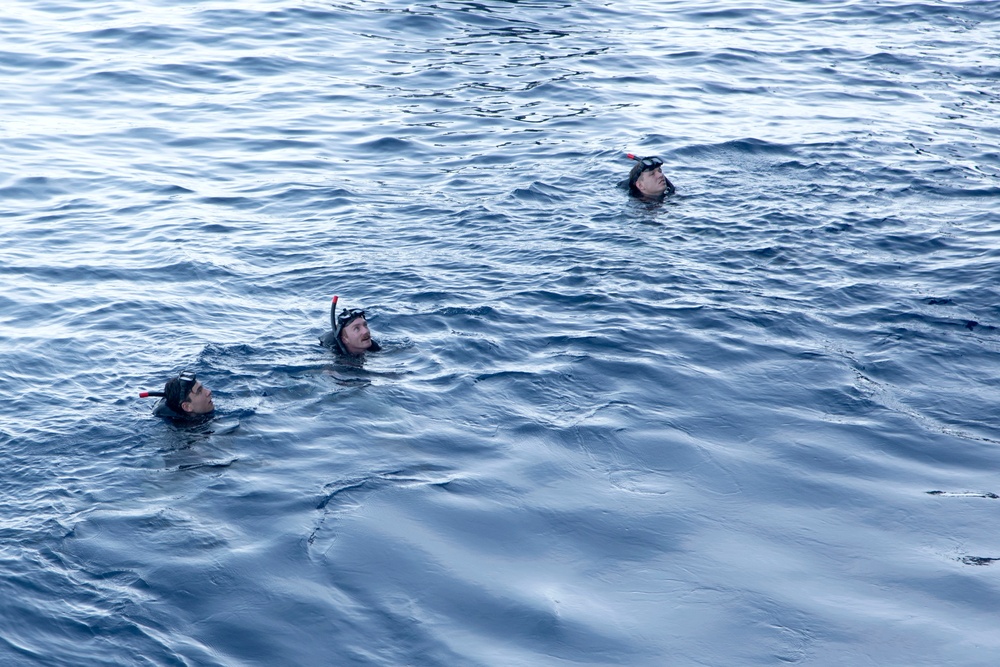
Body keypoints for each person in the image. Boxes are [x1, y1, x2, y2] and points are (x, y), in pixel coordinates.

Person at [140, 371, 215, 421]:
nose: (208, 392)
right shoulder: (193, 436)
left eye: (202, 387)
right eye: (199, 391)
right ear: (187, 407)